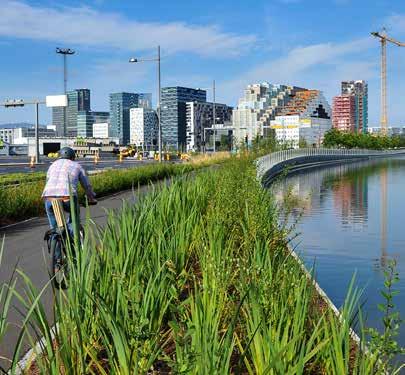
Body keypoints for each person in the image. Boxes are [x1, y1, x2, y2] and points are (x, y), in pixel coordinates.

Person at [42, 147, 97, 234]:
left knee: (55, 227)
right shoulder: (77, 166)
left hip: (49, 198)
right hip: (67, 198)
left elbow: (47, 182)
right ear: (73, 157)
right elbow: (87, 185)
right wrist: (91, 197)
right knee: (73, 221)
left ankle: (55, 235)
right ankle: (74, 241)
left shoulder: (52, 165)